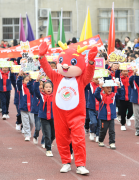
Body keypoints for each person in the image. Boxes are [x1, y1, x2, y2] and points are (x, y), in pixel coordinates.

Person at [38, 41, 98, 175]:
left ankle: (80, 164)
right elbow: (47, 68)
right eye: (62, 61)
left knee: (79, 139)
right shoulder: (57, 76)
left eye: (71, 62)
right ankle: (65, 162)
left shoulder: (81, 79)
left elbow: (89, 73)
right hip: (60, 115)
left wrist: (92, 62)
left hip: (76, 115)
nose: (65, 65)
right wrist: (41, 57)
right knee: (61, 139)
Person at [94, 79, 120, 149]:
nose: (109, 89)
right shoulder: (101, 96)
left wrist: (119, 86)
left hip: (111, 117)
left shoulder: (113, 96)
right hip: (103, 117)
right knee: (103, 130)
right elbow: (96, 94)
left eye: (110, 87)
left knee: (112, 130)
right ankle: (100, 140)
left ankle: (112, 142)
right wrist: (99, 87)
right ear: (103, 88)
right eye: (107, 87)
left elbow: (121, 94)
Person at [34, 76, 55, 157]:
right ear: (43, 89)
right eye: (46, 87)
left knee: (53, 135)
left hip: (53, 118)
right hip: (44, 118)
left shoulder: (55, 96)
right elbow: (35, 91)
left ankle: (48, 143)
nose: (48, 88)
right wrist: (36, 81)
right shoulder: (41, 96)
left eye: (50, 87)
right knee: (47, 134)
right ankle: (48, 149)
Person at [17, 71, 35, 141]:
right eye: (26, 80)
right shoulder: (21, 87)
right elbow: (18, 83)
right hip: (23, 108)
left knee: (31, 122)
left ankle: (29, 131)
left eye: (28, 80)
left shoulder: (32, 88)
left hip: (31, 108)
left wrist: (32, 78)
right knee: (25, 122)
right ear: (23, 81)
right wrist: (20, 76)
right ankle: (27, 134)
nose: (27, 81)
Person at [86, 77, 101, 142]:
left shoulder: (102, 85)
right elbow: (85, 83)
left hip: (100, 108)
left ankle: (98, 135)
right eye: (96, 79)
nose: (98, 80)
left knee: (99, 123)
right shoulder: (90, 85)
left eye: (99, 79)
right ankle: (92, 132)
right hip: (92, 107)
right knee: (93, 122)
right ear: (92, 79)